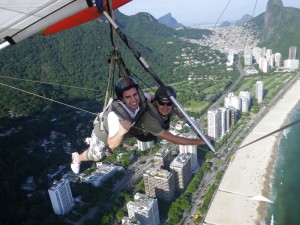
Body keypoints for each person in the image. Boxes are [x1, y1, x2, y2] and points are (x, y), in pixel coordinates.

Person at [71, 76, 150, 174]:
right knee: (97, 156)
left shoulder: (143, 98)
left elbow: (152, 98)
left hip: (112, 131)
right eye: (128, 97)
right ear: (122, 99)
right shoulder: (116, 116)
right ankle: (77, 158)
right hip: (103, 134)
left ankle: (92, 141)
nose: (134, 100)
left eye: (135, 94)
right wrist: (121, 132)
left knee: (107, 149)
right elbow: (112, 144)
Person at [134, 86, 208, 145]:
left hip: (159, 117)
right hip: (146, 135)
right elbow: (174, 140)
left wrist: (177, 112)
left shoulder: (166, 107)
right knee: (164, 128)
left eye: (169, 103)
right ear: (156, 102)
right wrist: (200, 141)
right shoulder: (149, 119)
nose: (165, 107)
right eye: (162, 103)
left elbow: (167, 106)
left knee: (166, 111)